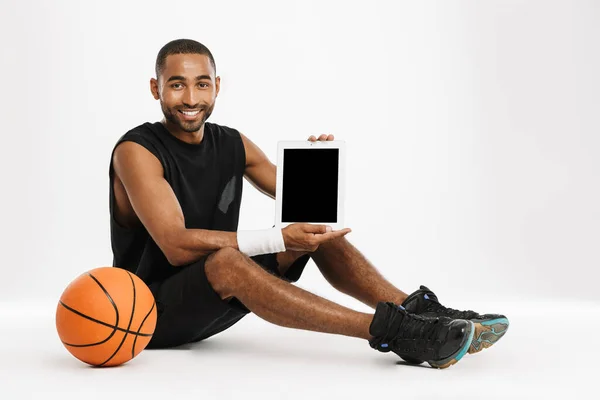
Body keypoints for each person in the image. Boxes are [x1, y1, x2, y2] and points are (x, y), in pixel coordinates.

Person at [109, 38, 508, 369]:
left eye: (201, 84)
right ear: (155, 88)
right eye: (176, 84)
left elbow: (299, 198)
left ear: (217, 86)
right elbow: (175, 245)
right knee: (230, 260)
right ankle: (393, 331)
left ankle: (419, 310)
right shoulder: (137, 150)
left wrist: (318, 171)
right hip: (148, 314)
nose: (190, 97)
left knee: (316, 230)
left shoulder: (231, 142)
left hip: (214, 299)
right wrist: (275, 238)